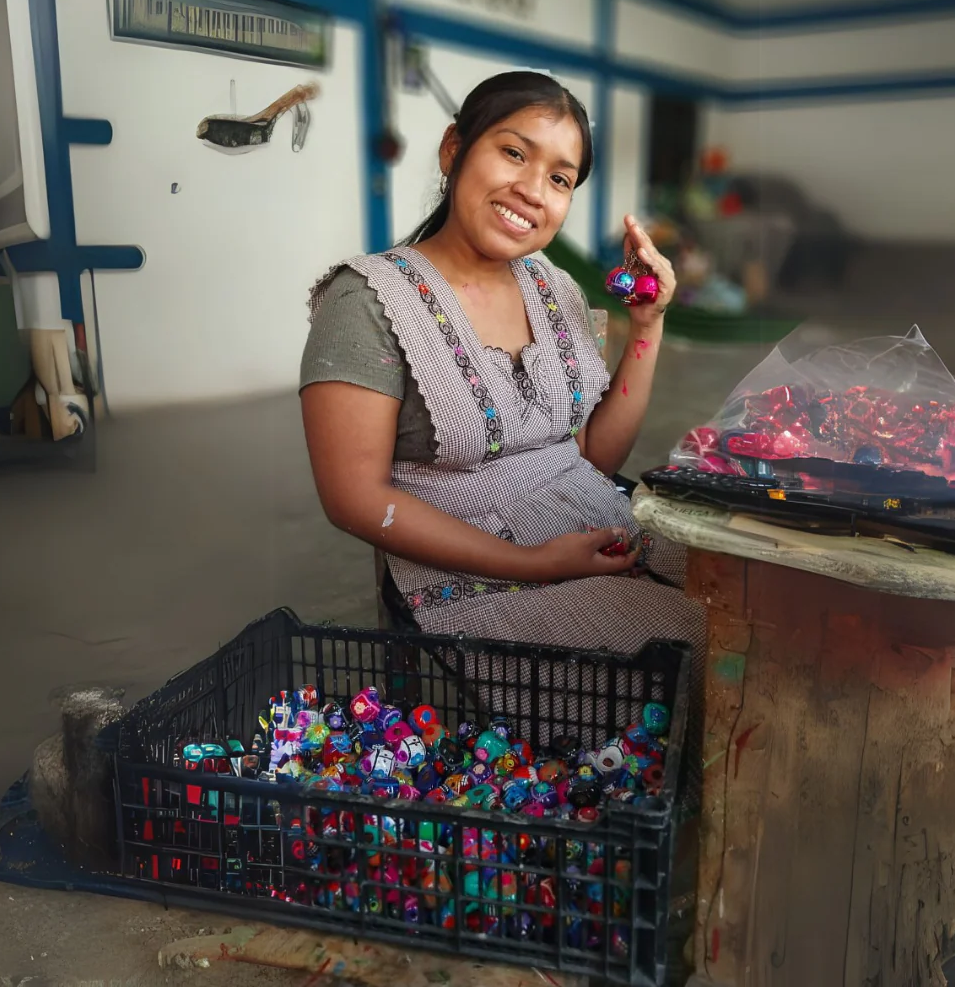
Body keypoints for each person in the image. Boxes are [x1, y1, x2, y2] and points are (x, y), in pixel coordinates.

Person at [300, 71, 705, 812]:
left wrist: (647, 327)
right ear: (454, 149)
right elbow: (353, 498)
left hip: (586, 515)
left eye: (560, 177)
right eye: (513, 153)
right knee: (700, 654)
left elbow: (592, 459)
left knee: (751, 594)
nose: (532, 190)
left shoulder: (555, 290)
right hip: (470, 575)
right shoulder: (367, 302)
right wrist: (534, 565)